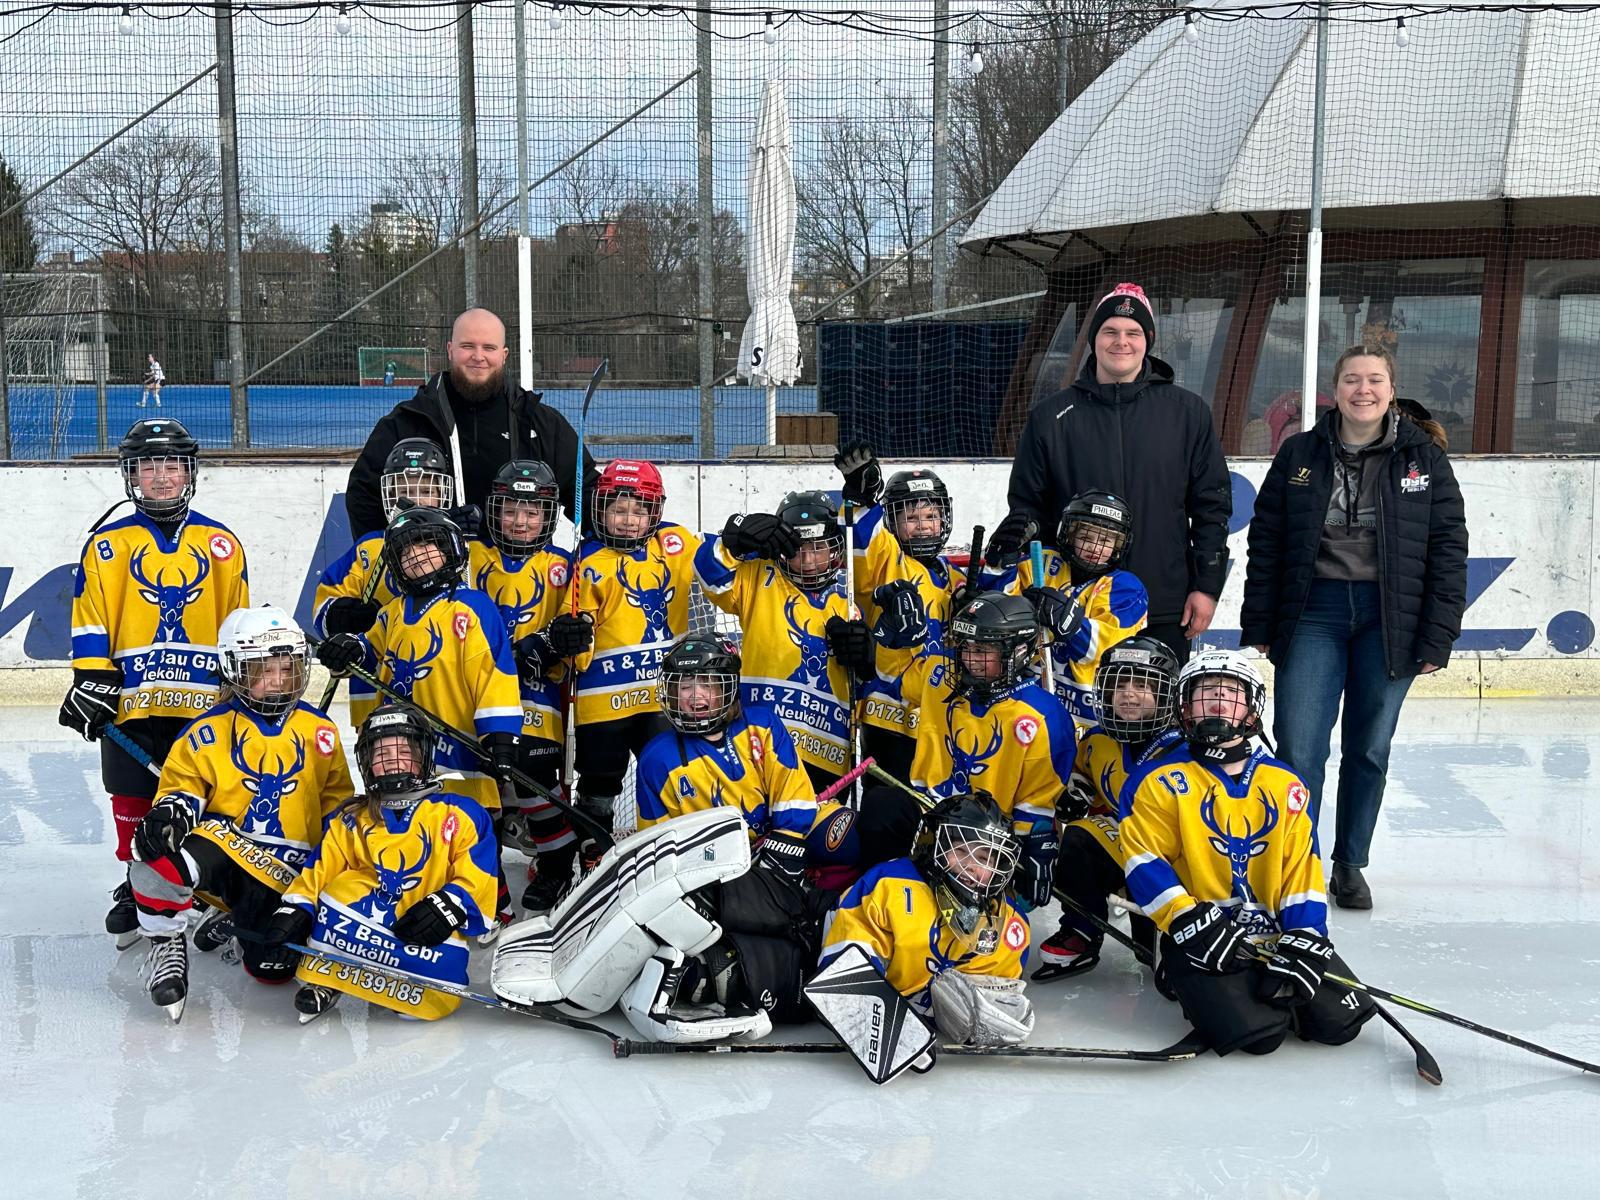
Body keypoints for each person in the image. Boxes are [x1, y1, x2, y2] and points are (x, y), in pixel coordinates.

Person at [1241, 347, 1468, 910]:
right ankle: (1299, 861)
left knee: (1370, 747)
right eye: (1351, 380)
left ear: (1392, 390)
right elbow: (1267, 542)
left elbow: (1448, 549)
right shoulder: (1300, 452)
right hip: (1311, 611)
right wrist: (1260, 622)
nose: (1362, 390)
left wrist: (1438, 635)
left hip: (1390, 620)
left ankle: (1349, 864)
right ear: (1334, 390)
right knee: (1299, 750)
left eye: (1374, 380)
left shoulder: (1424, 459)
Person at [1119, 650, 1376, 1057]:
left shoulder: (1285, 782)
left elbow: (1301, 868)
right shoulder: (1156, 780)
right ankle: (1179, 972)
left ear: (1251, 710)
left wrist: (1305, 935)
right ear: (1185, 707)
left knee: (1340, 1026)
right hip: (1201, 934)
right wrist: (1186, 919)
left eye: (1231, 693)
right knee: (1260, 1039)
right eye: (1206, 693)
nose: (1219, 702)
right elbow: (1143, 860)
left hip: (1274, 934)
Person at [62, 417, 251, 947]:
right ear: (131, 474)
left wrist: (240, 687)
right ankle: (138, 878)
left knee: (204, 791)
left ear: (189, 470)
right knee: (131, 788)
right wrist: (92, 680)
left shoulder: (221, 543)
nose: (162, 476)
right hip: (132, 697)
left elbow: (236, 619)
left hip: (203, 701)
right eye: (149, 466)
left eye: (171, 464)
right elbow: (92, 619)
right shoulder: (107, 545)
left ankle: (203, 879)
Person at [125, 606, 353, 1021]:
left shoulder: (321, 731)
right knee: (152, 855)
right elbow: (183, 785)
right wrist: (172, 812)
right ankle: (166, 942)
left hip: (290, 874)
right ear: (234, 670)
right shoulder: (206, 730)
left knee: (271, 972)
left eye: (288, 669)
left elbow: (337, 803)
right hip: (227, 853)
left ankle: (234, 918)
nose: (279, 681)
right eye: (264, 670)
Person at [992, 282, 1231, 664]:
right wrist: (1018, 535)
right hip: (1074, 606)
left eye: (1133, 333)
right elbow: (1028, 505)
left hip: (1162, 603)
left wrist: (1207, 587)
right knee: (1074, 720)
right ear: (1094, 339)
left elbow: (1211, 508)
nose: (1122, 342)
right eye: (1110, 331)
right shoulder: (1052, 417)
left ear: (1147, 340)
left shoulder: (1187, 413)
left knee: (1152, 717)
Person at [314, 508, 520, 889]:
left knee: (470, 821)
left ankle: (493, 897)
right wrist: (347, 648)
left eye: (429, 546)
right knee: (415, 824)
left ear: (453, 551)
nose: (418, 556)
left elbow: (496, 676)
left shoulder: (473, 607)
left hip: (462, 746)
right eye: (407, 552)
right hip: (405, 745)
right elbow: (369, 651)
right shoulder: (392, 612)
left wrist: (500, 737)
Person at [264, 705, 499, 1023]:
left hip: (421, 934)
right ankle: (331, 978)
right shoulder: (350, 819)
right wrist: (294, 911)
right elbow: (319, 872)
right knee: (341, 890)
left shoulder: (461, 812)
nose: (391, 759)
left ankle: (382, 979)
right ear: (366, 762)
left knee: (430, 990)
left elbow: (479, 872)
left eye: (403, 750)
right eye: (381, 752)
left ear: (423, 756)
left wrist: (448, 906)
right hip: (362, 927)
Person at [637, 633, 911, 876]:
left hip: (785, 832)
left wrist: (785, 843)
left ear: (727, 688)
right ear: (671, 691)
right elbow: (657, 845)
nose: (696, 697)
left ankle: (857, 900)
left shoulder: (762, 724)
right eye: (685, 687)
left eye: (708, 684)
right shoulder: (656, 759)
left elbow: (790, 788)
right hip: (722, 862)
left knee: (849, 843)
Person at [882, 592, 1075, 911]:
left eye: (982, 650)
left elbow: (1037, 801)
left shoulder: (1045, 717)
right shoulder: (940, 675)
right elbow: (893, 682)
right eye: (966, 647)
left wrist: (1037, 845)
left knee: (989, 920)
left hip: (987, 840)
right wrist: (891, 638)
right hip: (926, 817)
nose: (969, 659)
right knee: (882, 809)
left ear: (1019, 652)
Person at [343, 307, 596, 539]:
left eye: (489, 347)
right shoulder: (410, 420)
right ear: (450, 349)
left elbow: (583, 488)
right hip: (437, 576)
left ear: (504, 355)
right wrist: (401, 554)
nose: (478, 356)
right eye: (468, 346)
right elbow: (363, 495)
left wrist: (609, 542)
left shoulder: (537, 422)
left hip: (516, 578)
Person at [693, 490, 883, 794]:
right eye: (797, 549)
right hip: (759, 745)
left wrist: (865, 661)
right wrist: (735, 543)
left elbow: (866, 685)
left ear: (835, 549)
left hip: (827, 752)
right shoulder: (755, 577)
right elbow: (709, 574)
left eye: (818, 547)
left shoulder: (850, 599)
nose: (807, 560)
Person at [819, 792, 1034, 1047]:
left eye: (985, 858)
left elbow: (998, 995)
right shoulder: (889, 885)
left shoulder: (1011, 924)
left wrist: (986, 1010)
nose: (972, 866)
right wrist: (886, 1023)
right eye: (962, 850)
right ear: (935, 845)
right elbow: (842, 975)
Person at [562, 459, 699, 859]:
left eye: (639, 510)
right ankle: (594, 852)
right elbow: (580, 639)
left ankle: (669, 847)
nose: (628, 520)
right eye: (618, 509)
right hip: (603, 701)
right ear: (600, 509)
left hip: (661, 695)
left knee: (671, 771)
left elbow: (714, 562)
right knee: (600, 781)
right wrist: (574, 640)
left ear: (655, 512)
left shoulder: (672, 544)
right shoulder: (587, 560)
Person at [1032, 634, 1182, 981]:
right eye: (1120, 684)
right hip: (1125, 852)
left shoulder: (1184, 751)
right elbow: (1082, 778)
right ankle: (1081, 930)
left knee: (1152, 959)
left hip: (1175, 867)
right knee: (1081, 836)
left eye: (1142, 684)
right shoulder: (1095, 742)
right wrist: (1075, 791)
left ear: (1165, 694)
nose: (1129, 693)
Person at [468, 459, 578, 914]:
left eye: (533, 512)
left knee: (535, 781)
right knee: (480, 786)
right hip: (474, 693)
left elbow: (581, 622)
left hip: (536, 695)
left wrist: (563, 640)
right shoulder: (469, 555)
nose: (521, 520)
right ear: (494, 509)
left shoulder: (564, 565)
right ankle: (483, 873)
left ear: (549, 515)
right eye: (512, 509)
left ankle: (556, 867)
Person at [835, 447, 967, 785]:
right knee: (890, 810)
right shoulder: (890, 562)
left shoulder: (957, 579)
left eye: (930, 516)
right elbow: (863, 543)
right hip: (888, 716)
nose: (923, 527)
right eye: (911, 518)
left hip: (940, 716)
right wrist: (862, 501)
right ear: (893, 523)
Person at [313, 437, 459, 725]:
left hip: (443, 699)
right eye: (404, 489)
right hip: (374, 698)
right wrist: (341, 617)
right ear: (389, 493)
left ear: (443, 493)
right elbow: (323, 606)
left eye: (426, 490)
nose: (414, 499)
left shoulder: (461, 549)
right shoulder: (370, 548)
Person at [1008, 490, 1149, 730]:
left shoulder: (1127, 588)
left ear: (1119, 545)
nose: (1095, 547)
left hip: (1087, 717)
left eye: (1105, 541)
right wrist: (1000, 565)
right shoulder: (1041, 562)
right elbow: (997, 611)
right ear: (1069, 535)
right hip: (1028, 704)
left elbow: (1102, 651)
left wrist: (1063, 615)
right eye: (1086, 537)